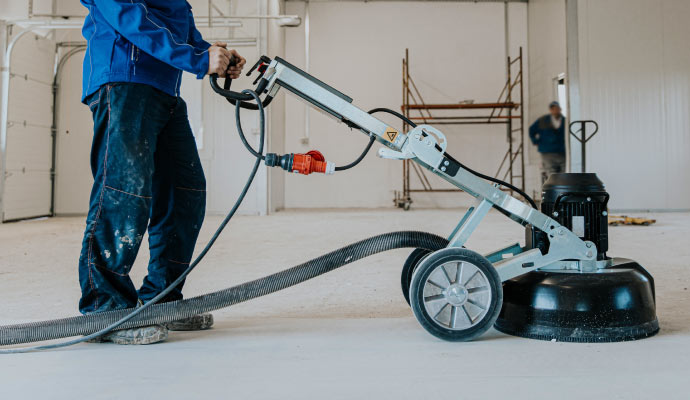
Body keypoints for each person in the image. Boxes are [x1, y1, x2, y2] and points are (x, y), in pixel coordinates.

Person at [78, 0, 246, 345]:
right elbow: (127, 16)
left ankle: (161, 299)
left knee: (185, 193)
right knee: (124, 194)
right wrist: (198, 60)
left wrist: (213, 55)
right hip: (124, 80)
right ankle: (105, 309)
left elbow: (177, 26)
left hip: (164, 90)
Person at [529, 101, 566, 183]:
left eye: (557, 108)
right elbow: (531, 130)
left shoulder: (565, 121)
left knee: (564, 174)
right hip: (547, 152)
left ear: (560, 109)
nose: (555, 110)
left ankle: (562, 192)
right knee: (551, 174)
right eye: (553, 109)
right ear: (550, 110)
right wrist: (536, 141)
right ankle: (555, 193)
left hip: (562, 152)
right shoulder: (542, 120)